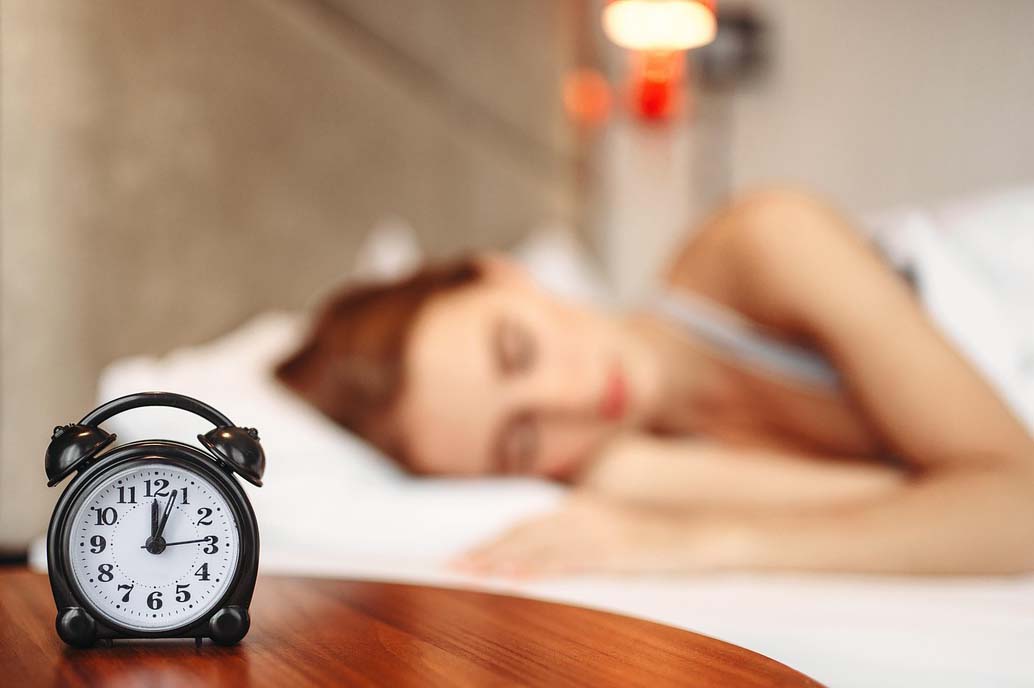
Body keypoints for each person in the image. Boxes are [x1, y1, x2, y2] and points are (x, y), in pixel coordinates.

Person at [276, 188, 1034, 577]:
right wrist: (634, 479)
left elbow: (1016, 506)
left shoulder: (764, 242)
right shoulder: (630, 468)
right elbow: (941, 512)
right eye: (523, 439)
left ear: (505, 274)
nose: (571, 399)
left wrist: (698, 544)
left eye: (518, 350)